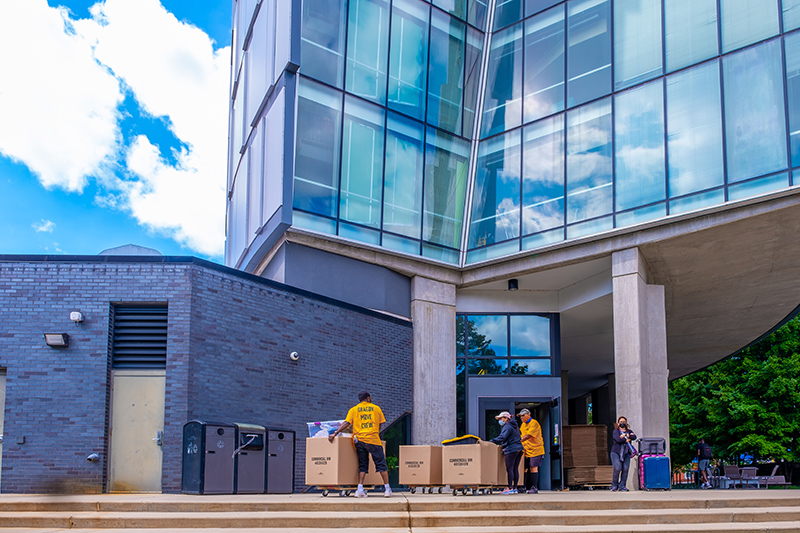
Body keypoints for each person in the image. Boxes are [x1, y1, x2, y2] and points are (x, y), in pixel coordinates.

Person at [328, 391, 391, 498]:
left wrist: (335, 433)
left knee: (363, 465)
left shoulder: (354, 409)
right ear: (368, 398)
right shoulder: (376, 408)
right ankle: (387, 489)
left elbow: (347, 423)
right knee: (381, 464)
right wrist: (374, 432)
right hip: (373, 440)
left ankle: (360, 489)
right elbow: (380, 424)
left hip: (359, 441)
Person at [489, 411, 524, 494]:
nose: (499, 421)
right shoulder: (515, 426)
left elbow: (502, 437)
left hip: (511, 449)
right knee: (515, 468)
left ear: (506, 418)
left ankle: (510, 488)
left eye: (500, 419)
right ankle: (515, 488)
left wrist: (491, 441)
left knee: (510, 469)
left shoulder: (507, 426)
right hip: (519, 449)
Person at [518, 408, 545, 494]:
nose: (521, 417)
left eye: (523, 415)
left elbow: (528, 435)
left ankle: (534, 487)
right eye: (520, 416)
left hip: (535, 450)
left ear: (528, 415)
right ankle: (522, 486)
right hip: (526, 450)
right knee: (524, 468)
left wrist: (518, 441)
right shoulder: (523, 425)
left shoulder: (534, 423)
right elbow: (520, 434)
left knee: (533, 467)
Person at [610, 416, 637, 492]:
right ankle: (614, 485)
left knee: (625, 469)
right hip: (616, 452)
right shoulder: (616, 431)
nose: (622, 423)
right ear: (618, 423)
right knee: (617, 468)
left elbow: (634, 436)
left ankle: (622, 486)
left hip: (626, 452)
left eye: (624, 422)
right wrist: (625, 440)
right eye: (621, 422)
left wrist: (626, 435)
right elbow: (618, 439)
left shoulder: (629, 431)